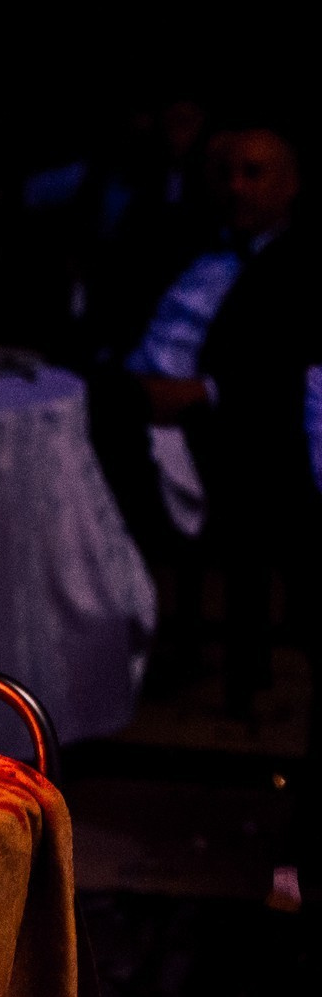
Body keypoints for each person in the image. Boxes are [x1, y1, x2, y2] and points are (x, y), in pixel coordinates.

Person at [116, 121, 315, 715]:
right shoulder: (187, 244)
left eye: (254, 173)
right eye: (227, 172)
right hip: (143, 399)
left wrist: (199, 392)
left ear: (292, 184)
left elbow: (285, 374)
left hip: (226, 429)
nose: (236, 186)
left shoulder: (301, 264)